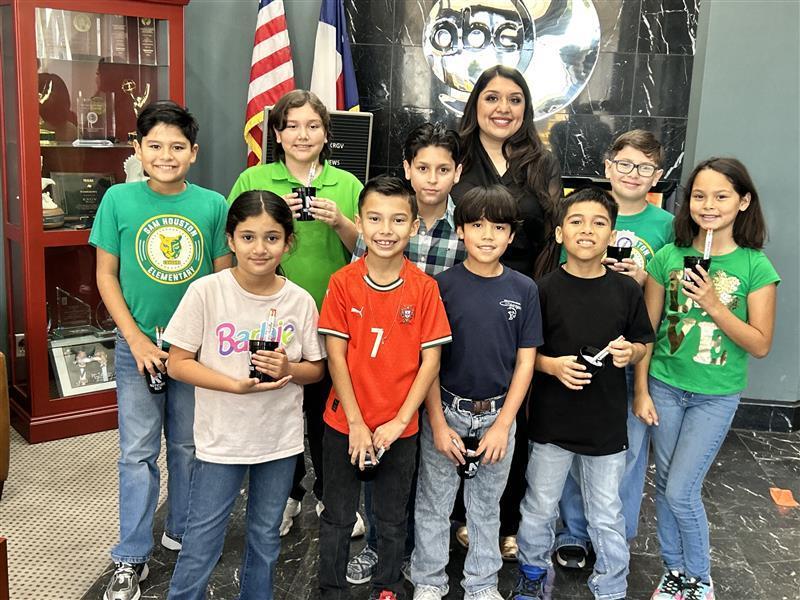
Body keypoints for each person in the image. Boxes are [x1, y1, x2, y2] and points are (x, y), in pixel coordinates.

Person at [90, 100, 231, 600]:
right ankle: (130, 556)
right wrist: (134, 339)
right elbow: (106, 276)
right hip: (137, 349)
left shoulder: (212, 205)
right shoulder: (118, 201)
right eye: (154, 146)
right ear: (137, 149)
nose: (166, 155)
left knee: (189, 447)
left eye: (177, 147)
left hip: (191, 354)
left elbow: (220, 282)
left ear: (193, 152)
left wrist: (194, 348)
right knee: (136, 452)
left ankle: (184, 529)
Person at [165, 191, 326, 600]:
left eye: (272, 238)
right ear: (231, 240)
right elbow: (177, 362)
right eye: (248, 237)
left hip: (278, 440)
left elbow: (316, 369)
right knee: (202, 540)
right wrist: (232, 384)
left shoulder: (299, 301)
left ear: (288, 242)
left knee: (266, 539)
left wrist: (289, 370)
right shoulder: (207, 292)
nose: (260, 248)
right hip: (222, 439)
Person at [635, 158, 779, 600]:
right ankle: (674, 572)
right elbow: (648, 332)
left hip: (714, 396)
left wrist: (715, 305)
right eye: (699, 195)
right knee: (664, 485)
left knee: (682, 488)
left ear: (743, 201)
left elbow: (759, 344)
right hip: (664, 386)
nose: (708, 205)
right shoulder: (668, 257)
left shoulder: (755, 266)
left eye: (721, 196)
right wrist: (641, 390)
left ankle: (698, 577)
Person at [228, 89, 364, 537]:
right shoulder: (254, 180)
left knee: (326, 414)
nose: (302, 134)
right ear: (277, 134)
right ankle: (284, 497)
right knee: (277, 412)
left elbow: (368, 252)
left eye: (312, 125)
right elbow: (235, 243)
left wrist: (341, 221)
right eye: (291, 125)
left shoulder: (346, 184)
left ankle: (330, 493)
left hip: (332, 320)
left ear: (327, 133)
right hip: (270, 319)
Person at [512, 187, 653, 600]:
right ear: (559, 234)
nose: (586, 231)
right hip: (551, 421)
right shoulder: (541, 289)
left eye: (599, 223)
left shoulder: (626, 290)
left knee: (607, 511)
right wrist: (552, 365)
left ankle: (611, 584)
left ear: (612, 234)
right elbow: (524, 355)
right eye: (576, 222)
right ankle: (532, 572)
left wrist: (633, 351)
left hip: (606, 422)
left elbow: (644, 340)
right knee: (539, 504)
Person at [317, 176, 452, 600]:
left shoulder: (425, 289)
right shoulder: (342, 282)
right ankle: (331, 589)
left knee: (392, 517)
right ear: (359, 221)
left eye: (397, 219)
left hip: (400, 427)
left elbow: (431, 361)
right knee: (338, 516)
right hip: (345, 422)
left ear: (413, 226)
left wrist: (399, 420)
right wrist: (356, 423)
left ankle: (388, 586)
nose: (385, 229)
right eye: (374, 218)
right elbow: (336, 356)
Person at [451, 64, 562, 561]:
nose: (503, 108)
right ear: (475, 103)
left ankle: (505, 518)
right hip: (460, 296)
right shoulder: (455, 155)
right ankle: (457, 514)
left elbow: (551, 238)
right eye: (492, 97)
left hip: (524, 298)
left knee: (513, 410)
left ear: (526, 108)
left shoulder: (542, 163)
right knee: (456, 401)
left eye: (514, 99)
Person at [348, 122, 467, 585]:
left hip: (440, 362)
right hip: (385, 366)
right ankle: (379, 548)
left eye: (442, 169)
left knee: (427, 467)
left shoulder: (467, 227)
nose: (432, 179)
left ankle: (421, 551)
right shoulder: (385, 219)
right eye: (422, 168)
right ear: (406, 169)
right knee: (385, 460)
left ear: (457, 172)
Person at [411, 185, 541, 600]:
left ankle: (482, 584)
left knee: (487, 506)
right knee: (434, 502)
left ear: (511, 236)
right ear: (461, 231)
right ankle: (429, 580)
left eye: (498, 227)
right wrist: (436, 421)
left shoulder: (524, 289)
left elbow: (526, 362)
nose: (487, 235)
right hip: (445, 410)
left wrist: (504, 424)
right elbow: (428, 362)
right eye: (477, 225)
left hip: (497, 416)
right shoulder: (440, 286)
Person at [554, 130, 674, 568]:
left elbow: (664, 299)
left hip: (631, 352)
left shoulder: (666, 227)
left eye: (644, 167)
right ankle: (573, 531)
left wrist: (642, 281)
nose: (632, 174)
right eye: (624, 164)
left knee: (625, 450)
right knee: (569, 445)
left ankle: (615, 535)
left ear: (657, 176)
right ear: (607, 168)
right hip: (579, 350)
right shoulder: (582, 214)